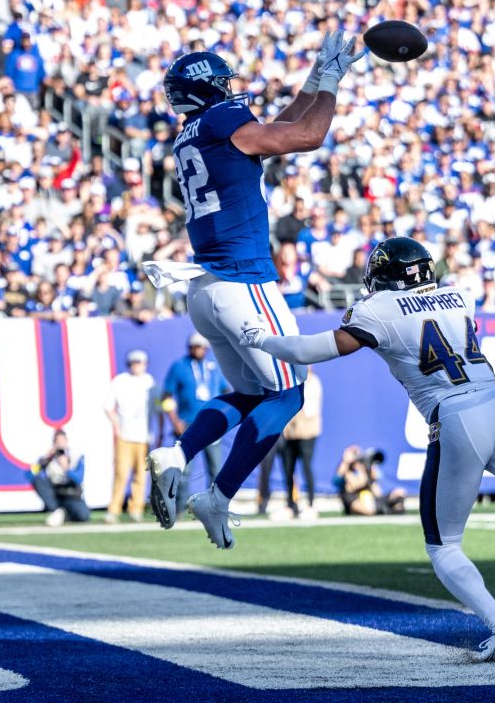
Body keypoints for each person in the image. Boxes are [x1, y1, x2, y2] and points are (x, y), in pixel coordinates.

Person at [241, 237, 495, 662]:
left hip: (456, 416)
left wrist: (262, 340)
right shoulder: (460, 296)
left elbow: (313, 349)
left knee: (444, 547)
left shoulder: (378, 309)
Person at [144, 34, 366, 549]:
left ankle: (180, 454)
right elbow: (305, 136)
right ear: (207, 91)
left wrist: (315, 78)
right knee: (289, 395)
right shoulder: (222, 123)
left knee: (250, 394)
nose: (230, 92)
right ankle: (218, 495)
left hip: (205, 290)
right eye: (221, 85)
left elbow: (277, 128)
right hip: (245, 283)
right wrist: (331, 84)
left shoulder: (193, 133)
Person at [160, 333, 231, 516]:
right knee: (184, 470)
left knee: (216, 468)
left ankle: (214, 507)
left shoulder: (213, 366)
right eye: (195, 346)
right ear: (189, 347)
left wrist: (225, 416)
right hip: (188, 425)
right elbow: (166, 397)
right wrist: (174, 420)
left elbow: (227, 391)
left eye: (201, 347)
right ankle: (178, 508)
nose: (199, 350)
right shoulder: (179, 366)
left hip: (212, 424)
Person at [105, 349, 158, 524]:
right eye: (134, 363)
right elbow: (108, 407)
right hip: (125, 435)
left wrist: (154, 431)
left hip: (143, 436)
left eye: (140, 363)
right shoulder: (120, 381)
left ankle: (136, 508)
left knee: (141, 475)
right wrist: (116, 426)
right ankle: (114, 509)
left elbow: (155, 408)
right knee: (121, 473)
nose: (137, 366)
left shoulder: (149, 382)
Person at [280, 371, 323, 518]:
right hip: (291, 432)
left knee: (306, 466)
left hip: (307, 431)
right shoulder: (289, 381)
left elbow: (308, 407)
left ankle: (310, 504)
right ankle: (291, 505)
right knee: (288, 469)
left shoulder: (313, 382)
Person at [28, 428, 90, 525]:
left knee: (83, 515)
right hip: (56, 494)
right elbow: (30, 474)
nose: (60, 445)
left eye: (62, 441)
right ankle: (56, 510)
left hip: (71, 494)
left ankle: (66, 514)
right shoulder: (48, 459)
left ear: (66, 442)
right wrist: (44, 460)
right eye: (57, 442)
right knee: (39, 480)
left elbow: (79, 479)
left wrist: (67, 469)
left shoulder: (76, 457)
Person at [334, 445, 405, 516]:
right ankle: (386, 510)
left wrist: (371, 467)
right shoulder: (345, 469)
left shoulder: (366, 468)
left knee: (399, 492)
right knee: (368, 510)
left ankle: (388, 509)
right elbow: (337, 481)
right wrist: (346, 462)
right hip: (355, 500)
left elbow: (378, 491)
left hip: (371, 498)